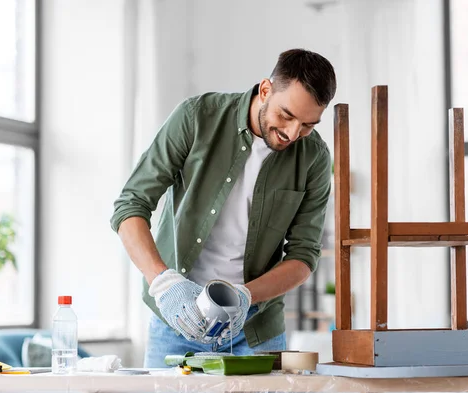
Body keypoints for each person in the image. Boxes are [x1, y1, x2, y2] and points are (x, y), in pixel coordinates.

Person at [110, 48, 337, 368]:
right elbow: (130, 205)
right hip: (175, 320)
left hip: (255, 330)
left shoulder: (313, 156)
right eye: (285, 116)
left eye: (307, 125)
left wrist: (245, 296)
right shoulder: (196, 117)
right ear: (265, 90)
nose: (292, 133)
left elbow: (303, 256)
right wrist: (163, 283)